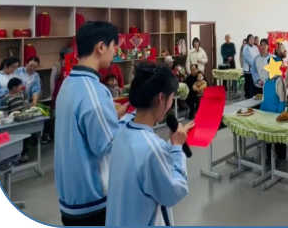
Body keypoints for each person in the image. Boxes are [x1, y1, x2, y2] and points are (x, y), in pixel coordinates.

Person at [54, 21, 132, 226]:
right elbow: (107, 145)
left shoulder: (68, 84)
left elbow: (83, 130)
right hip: (93, 199)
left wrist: (113, 117)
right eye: (114, 46)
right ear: (101, 47)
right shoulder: (94, 90)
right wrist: (131, 121)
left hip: (71, 196)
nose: (115, 51)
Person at [106, 63, 193, 226]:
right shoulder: (152, 149)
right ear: (161, 98)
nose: (170, 104)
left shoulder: (121, 129)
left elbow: (147, 159)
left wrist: (172, 142)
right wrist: (177, 149)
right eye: (171, 97)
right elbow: (175, 191)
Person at [261, 44, 288, 166]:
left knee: (278, 136)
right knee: (268, 136)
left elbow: (282, 98)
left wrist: (280, 113)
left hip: (276, 113)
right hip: (266, 113)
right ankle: (269, 155)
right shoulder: (268, 81)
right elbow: (264, 97)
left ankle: (281, 156)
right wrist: (262, 109)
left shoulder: (279, 81)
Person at [0, 77, 32, 163]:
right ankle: (14, 156)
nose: (21, 87)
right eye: (20, 86)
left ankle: (24, 154)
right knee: (15, 139)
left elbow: (24, 105)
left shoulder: (20, 95)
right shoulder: (7, 99)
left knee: (24, 138)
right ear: (14, 88)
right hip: (13, 123)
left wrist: (27, 106)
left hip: (22, 121)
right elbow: (4, 112)